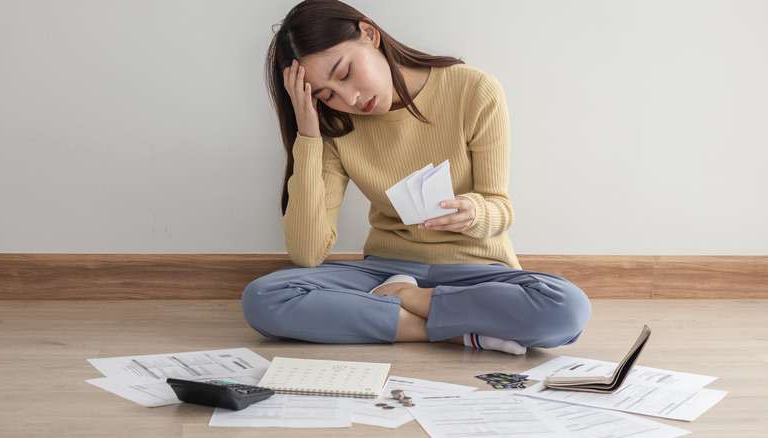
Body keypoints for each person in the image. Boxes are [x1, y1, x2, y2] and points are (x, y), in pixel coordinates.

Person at [242, 0, 591, 355]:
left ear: (369, 34)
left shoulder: (472, 90)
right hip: (385, 272)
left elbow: (500, 208)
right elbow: (307, 252)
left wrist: (473, 212)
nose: (349, 98)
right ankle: (457, 333)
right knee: (263, 298)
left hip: (477, 271)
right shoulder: (336, 129)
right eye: (327, 95)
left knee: (567, 308)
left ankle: (407, 303)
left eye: (345, 73)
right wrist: (309, 136)